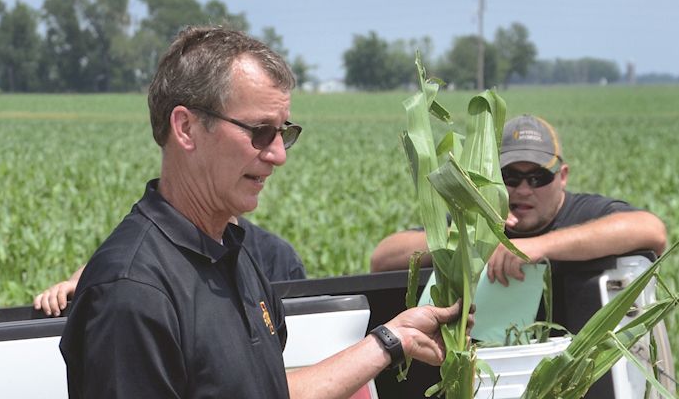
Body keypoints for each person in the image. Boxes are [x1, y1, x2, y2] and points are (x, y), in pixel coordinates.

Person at [60, 26, 466, 399]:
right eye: (260, 132)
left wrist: (392, 339)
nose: (277, 155)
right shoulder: (133, 290)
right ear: (185, 128)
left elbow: (265, 390)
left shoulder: (232, 253)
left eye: (283, 133)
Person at [370, 114, 667, 286]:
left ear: (562, 176)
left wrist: (538, 247)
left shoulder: (582, 212)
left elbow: (651, 230)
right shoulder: (478, 224)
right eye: (510, 178)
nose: (524, 190)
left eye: (538, 178)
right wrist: (472, 239)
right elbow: (382, 259)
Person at [33, 216, 305, 317]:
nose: (276, 156)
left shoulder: (277, 257)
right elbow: (124, 265)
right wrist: (79, 282)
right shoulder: (144, 249)